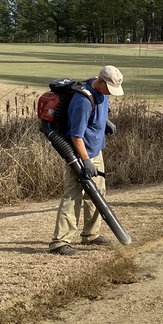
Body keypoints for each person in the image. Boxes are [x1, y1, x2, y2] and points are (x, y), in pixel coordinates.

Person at [48, 64, 124, 254]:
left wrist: (105, 122)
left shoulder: (102, 94)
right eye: (109, 88)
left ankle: (91, 235)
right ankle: (60, 242)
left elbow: (97, 112)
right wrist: (86, 161)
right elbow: (76, 136)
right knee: (73, 196)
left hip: (96, 151)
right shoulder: (82, 100)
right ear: (100, 81)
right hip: (79, 154)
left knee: (98, 192)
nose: (111, 93)